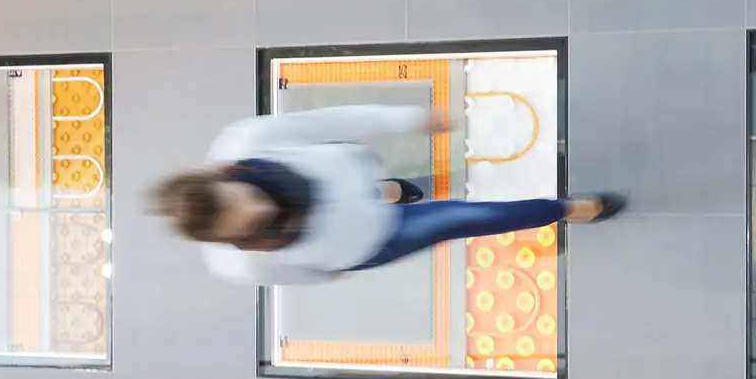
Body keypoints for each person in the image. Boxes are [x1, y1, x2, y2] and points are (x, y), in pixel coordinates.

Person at [148, 104, 625, 285]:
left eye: (241, 198)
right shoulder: (239, 264)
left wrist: (409, 120)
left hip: (350, 172)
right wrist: (344, 263)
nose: (256, 209)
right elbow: (310, 276)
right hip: (376, 239)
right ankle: (563, 210)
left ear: (221, 176)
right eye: (245, 224)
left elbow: (331, 121)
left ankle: (391, 190)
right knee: (467, 218)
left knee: (383, 188)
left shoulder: (245, 143)